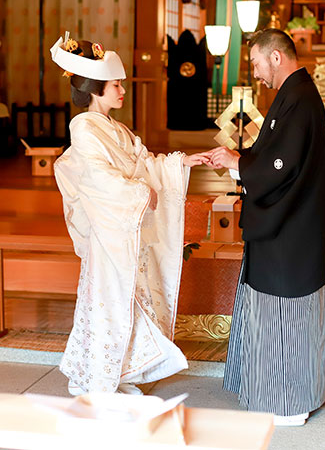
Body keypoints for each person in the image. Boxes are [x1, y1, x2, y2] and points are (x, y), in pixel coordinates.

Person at [49, 33, 207, 395]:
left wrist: (181, 163)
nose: (122, 90)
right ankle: (99, 375)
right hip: (108, 233)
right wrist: (139, 191)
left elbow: (143, 163)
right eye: (116, 85)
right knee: (111, 301)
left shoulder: (115, 128)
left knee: (125, 300)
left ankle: (116, 373)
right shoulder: (84, 128)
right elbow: (98, 179)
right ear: (95, 89)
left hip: (122, 230)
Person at [204, 28, 325, 426]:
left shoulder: (299, 98)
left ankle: (290, 403)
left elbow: (282, 165)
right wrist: (237, 157)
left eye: (257, 63)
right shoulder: (294, 94)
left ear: (276, 57)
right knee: (277, 314)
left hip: (290, 230)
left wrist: (236, 163)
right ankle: (275, 392)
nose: (256, 73)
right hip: (289, 224)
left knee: (285, 316)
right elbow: (272, 156)